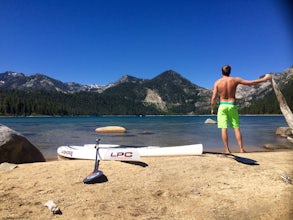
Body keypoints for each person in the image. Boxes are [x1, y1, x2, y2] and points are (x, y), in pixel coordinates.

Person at [211, 65, 272, 153]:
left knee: (224, 128)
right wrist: (264, 79)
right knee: (236, 128)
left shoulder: (217, 82)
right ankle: (241, 149)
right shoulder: (235, 80)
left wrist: (212, 108)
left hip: (222, 106)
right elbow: (251, 83)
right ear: (230, 72)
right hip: (232, 105)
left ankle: (227, 150)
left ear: (221, 72)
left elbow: (213, 97)